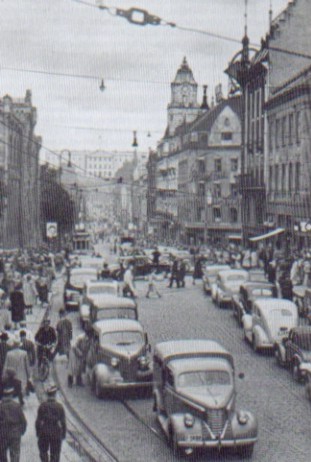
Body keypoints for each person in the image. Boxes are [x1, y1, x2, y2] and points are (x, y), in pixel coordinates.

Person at [35, 385, 66, 462]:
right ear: (55, 395)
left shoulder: (42, 406)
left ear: (47, 395)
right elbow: (63, 422)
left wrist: (38, 432)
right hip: (56, 431)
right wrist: (63, 434)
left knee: (43, 451)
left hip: (44, 431)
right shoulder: (59, 407)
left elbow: (38, 421)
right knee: (55, 453)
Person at [0, 386, 27, 462]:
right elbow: (23, 421)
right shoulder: (16, 406)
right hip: (15, 433)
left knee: (2, 454)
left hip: (3, 433)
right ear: (11, 395)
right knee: (15, 454)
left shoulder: (0, 407)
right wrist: (21, 431)